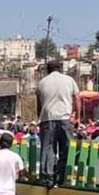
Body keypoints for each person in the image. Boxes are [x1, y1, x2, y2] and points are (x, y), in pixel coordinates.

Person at [36, 58, 80, 188]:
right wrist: (77, 116)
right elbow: (77, 98)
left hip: (47, 119)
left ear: (48, 70)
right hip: (65, 119)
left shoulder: (42, 83)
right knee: (66, 149)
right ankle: (60, 176)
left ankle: (49, 178)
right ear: (60, 68)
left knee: (48, 149)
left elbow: (38, 104)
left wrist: (40, 118)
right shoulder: (69, 80)